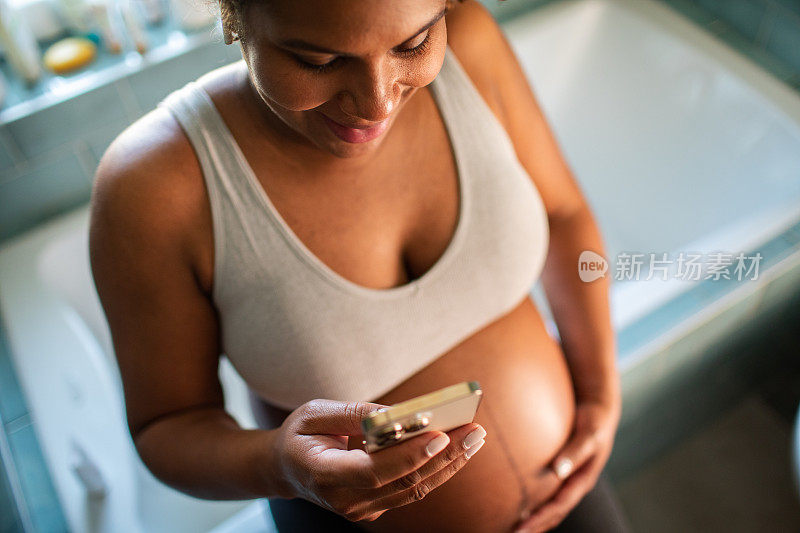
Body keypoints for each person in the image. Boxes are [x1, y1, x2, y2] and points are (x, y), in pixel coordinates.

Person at [89, 0, 633, 531]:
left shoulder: (471, 40)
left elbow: (563, 217)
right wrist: (280, 464)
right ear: (233, 16)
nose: (376, 103)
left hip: (570, 486)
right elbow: (167, 426)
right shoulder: (153, 188)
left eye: (413, 44)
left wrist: (602, 390)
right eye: (319, 61)